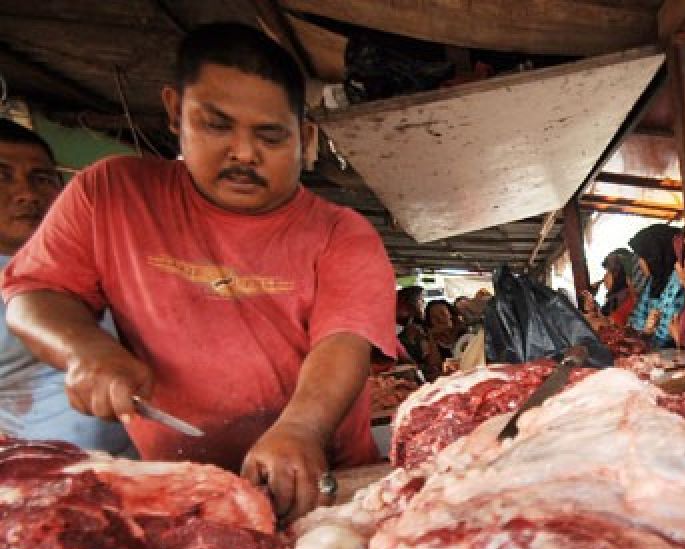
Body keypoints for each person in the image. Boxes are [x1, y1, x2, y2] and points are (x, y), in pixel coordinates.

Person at [1, 23, 397, 521]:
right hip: (178, 484)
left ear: (307, 137)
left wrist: (301, 429)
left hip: (319, 472)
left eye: (271, 136)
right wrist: (86, 350)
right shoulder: (110, 194)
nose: (244, 153)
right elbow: (35, 291)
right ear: (174, 112)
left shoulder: (341, 232)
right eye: (217, 125)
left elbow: (343, 341)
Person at [0, 119, 130, 452]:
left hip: (142, 472)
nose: (27, 194)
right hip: (35, 487)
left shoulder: (109, 260)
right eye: (2, 176)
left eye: (41, 178)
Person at [628, 224, 685, 348]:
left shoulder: (679, 281)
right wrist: (646, 330)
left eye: (643, 257)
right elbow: (634, 322)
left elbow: (667, 333)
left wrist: (648, 331)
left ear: (655, 255)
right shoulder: (652, 283)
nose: (639, 263)